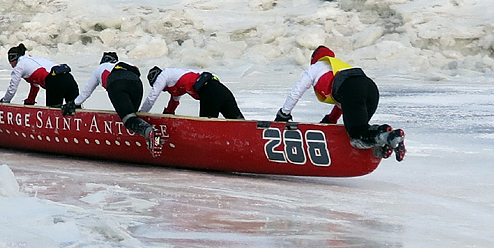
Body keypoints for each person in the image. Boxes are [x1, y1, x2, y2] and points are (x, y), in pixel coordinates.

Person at [274, 46, 405, 160]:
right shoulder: (339, 66)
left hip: (352, 90)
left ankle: (389, 136)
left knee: (357, 137)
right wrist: (330, 120)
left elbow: (296, 93)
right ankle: (383, 135)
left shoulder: (314, 68)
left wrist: (284, 114)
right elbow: (344, 102)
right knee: (362, 128)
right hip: (371, 88)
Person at [63, 51, 165, 157]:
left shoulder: (100, 68)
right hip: (136, 83)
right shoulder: (125, 63)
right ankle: (143, 127)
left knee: (128, 119)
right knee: (132, 114)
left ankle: (150, 132)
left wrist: (73, 103)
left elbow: (86, 92)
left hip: (117, 82)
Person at [140, 66, 244, 119]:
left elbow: (152, 98)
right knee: (238, 123)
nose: (163, 90)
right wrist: (168, 114)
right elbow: (174, 101)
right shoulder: (175, 79)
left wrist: (141, 115)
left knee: (207, 128)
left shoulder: (163, 75)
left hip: (209, 93)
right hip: (220, 89)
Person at [0, 43, 79, 107]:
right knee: (76, 110)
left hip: (55, 81)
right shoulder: (33, 60)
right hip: (68, 77)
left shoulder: (19, 67)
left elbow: (12, 88)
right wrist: (30, 102)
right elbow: (35, 86)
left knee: (53, 114)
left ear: (13, 58)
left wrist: (5, 101)